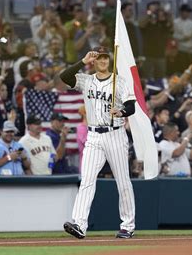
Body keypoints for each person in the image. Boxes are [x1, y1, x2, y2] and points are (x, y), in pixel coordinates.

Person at [60, 46, 137, 239]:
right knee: (86, 181)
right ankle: (79, 224)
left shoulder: (119, 81)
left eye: (105, 58)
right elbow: (65, 76)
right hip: (93, 136)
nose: (102, 61)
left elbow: (131, 106)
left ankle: (127, 225)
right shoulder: (86, 80)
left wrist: (121, 112)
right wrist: (82, 61)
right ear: (93, 61)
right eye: (99, 58)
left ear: (109, 60)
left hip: (115, 134)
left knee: (123, 182)